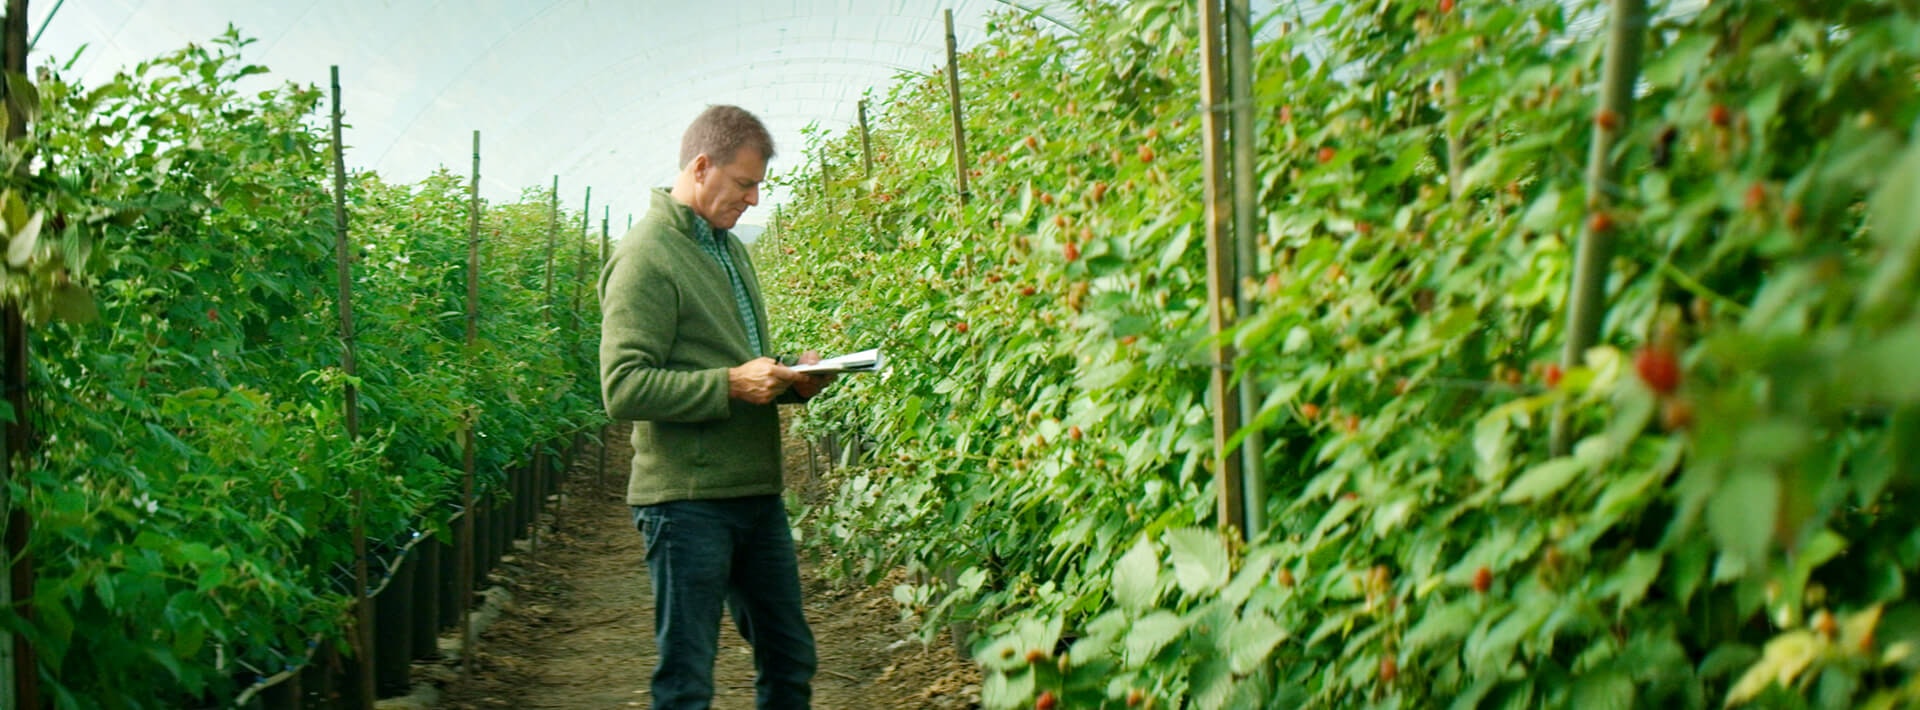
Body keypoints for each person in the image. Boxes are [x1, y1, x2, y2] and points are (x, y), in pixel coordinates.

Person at [599, 104, 830, 710]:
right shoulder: (646, 256)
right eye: (745, 184)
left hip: (754, 491)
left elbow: (730, 357)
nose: (754, 199)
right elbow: (623, 387)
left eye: (758, 186)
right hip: (687, 501)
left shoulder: (728, 249)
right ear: (701, 167)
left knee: (789, 657)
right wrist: (730, 384)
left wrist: (792, 376)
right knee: (687, 679)